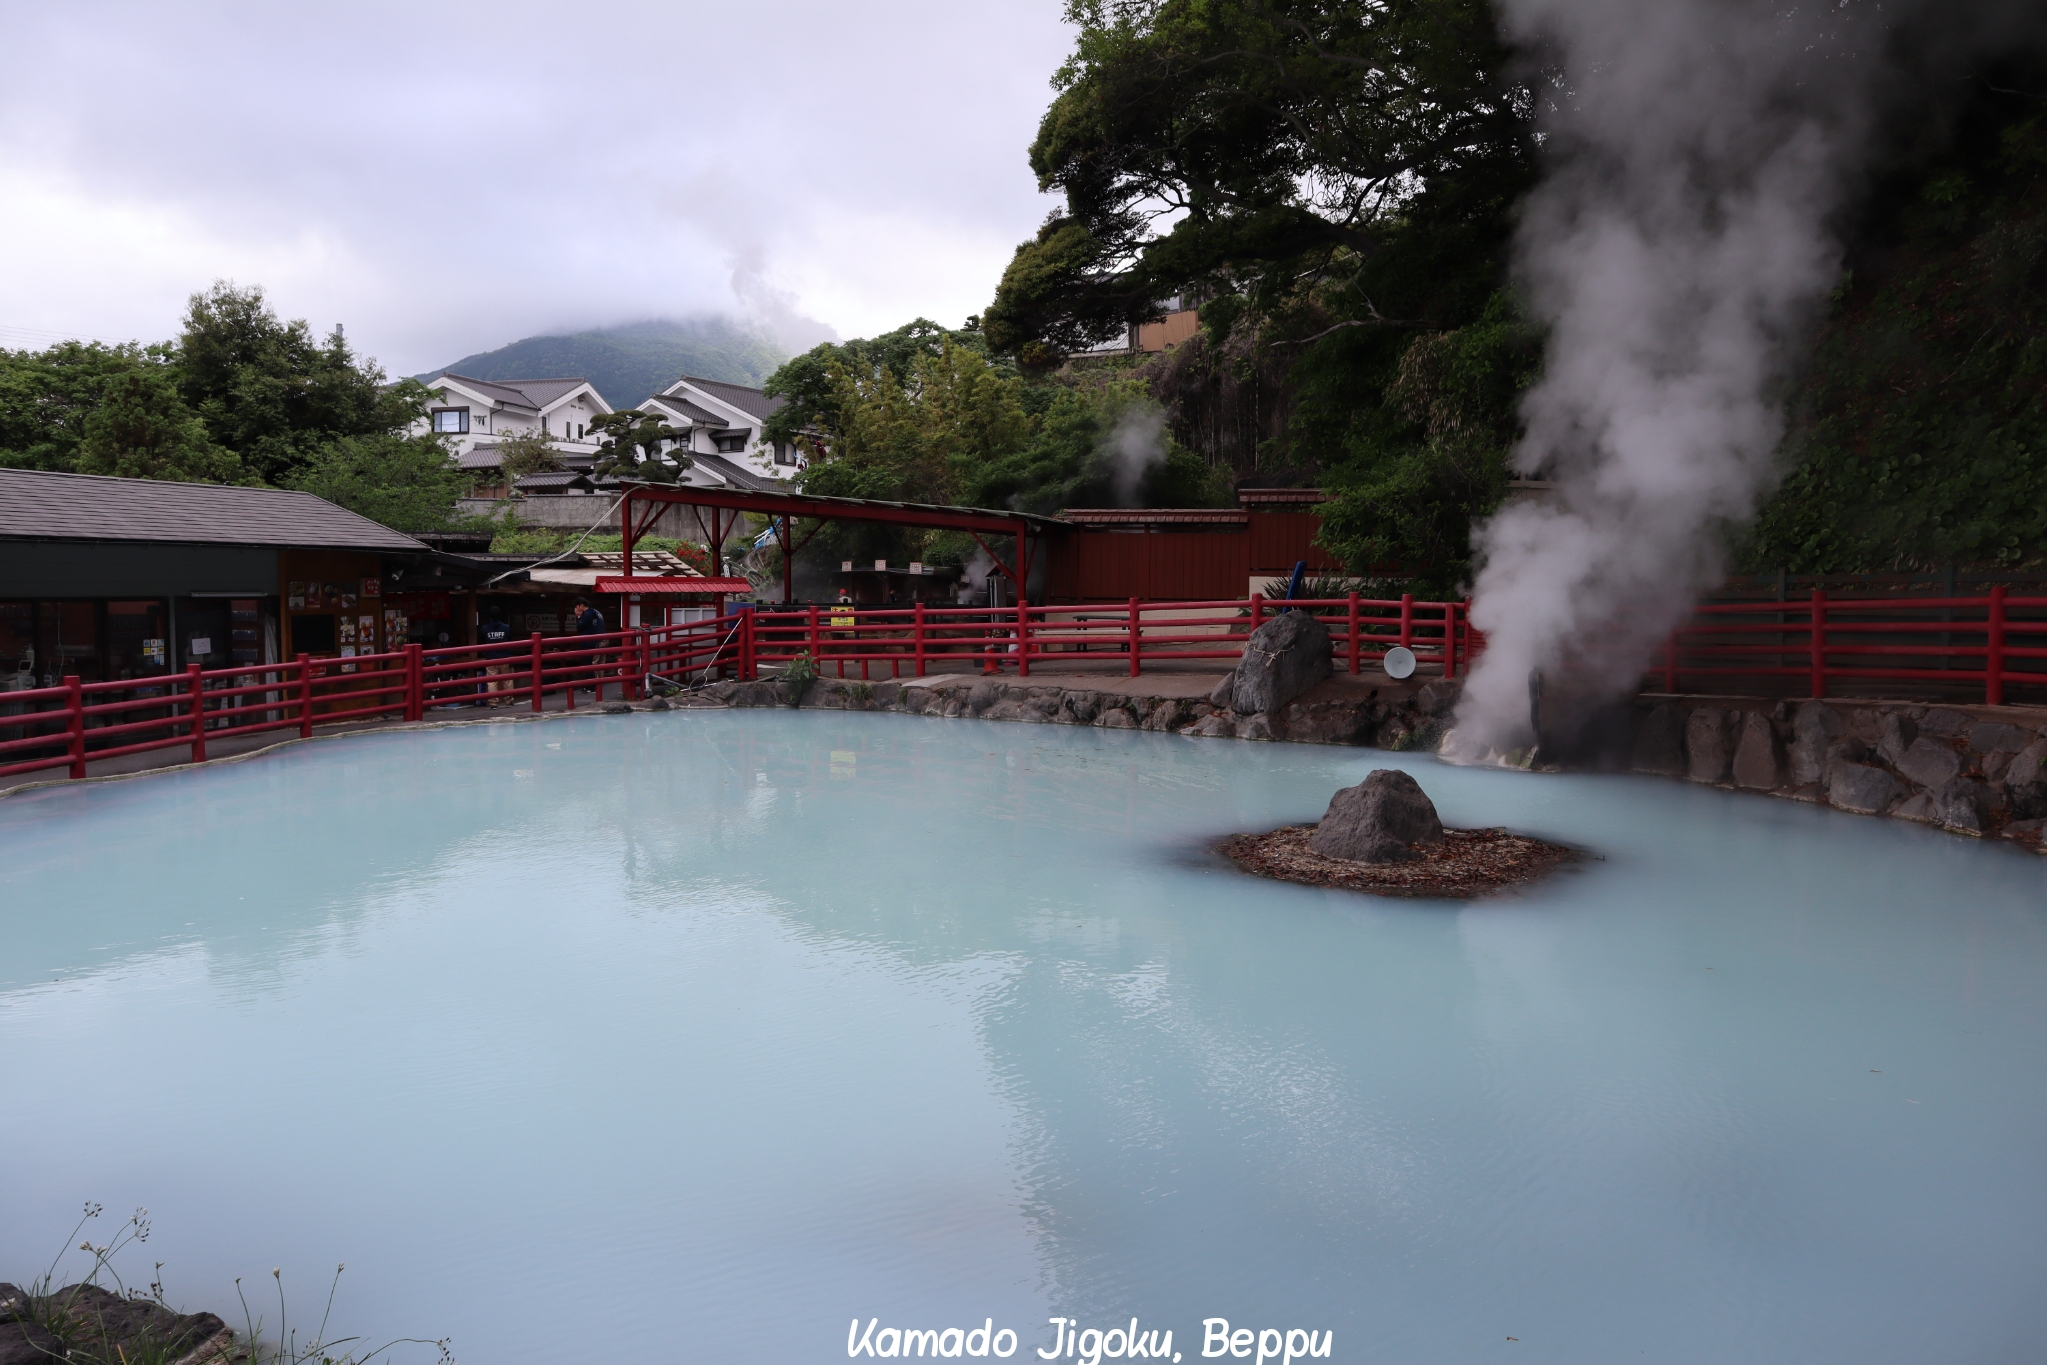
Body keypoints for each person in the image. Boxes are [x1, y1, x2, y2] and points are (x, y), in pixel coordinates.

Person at [480, 608, 517, 705]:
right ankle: (509, 701)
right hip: (505, 657)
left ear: (490, 618)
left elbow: (483, 640)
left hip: (491, 658)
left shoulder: (485, 629)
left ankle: (493, 703)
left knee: (492, 682)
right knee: (507, 680)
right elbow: (510, 639)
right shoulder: (506, 628)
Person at [571, 598, 606, 699]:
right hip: (600, 640)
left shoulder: (587, 614)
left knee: (589, 664)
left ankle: (590, 687)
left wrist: (578, 616)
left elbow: (580, 626)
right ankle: (598, 684)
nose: (576, 609)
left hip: (590, 642)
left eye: (576, 607)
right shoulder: (595, 612)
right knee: (598, 663)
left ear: (581, 605)